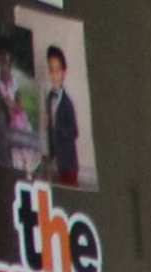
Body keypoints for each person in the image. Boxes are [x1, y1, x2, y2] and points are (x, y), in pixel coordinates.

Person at [42, 43, 84, 187]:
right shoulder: (48, 98)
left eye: (57, 70)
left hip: (69, 162)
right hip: (56, 160)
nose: (54, 75)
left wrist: (56, 126)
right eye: (51, 70)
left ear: (64, 72)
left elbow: (74, 132)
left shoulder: (67, 103)